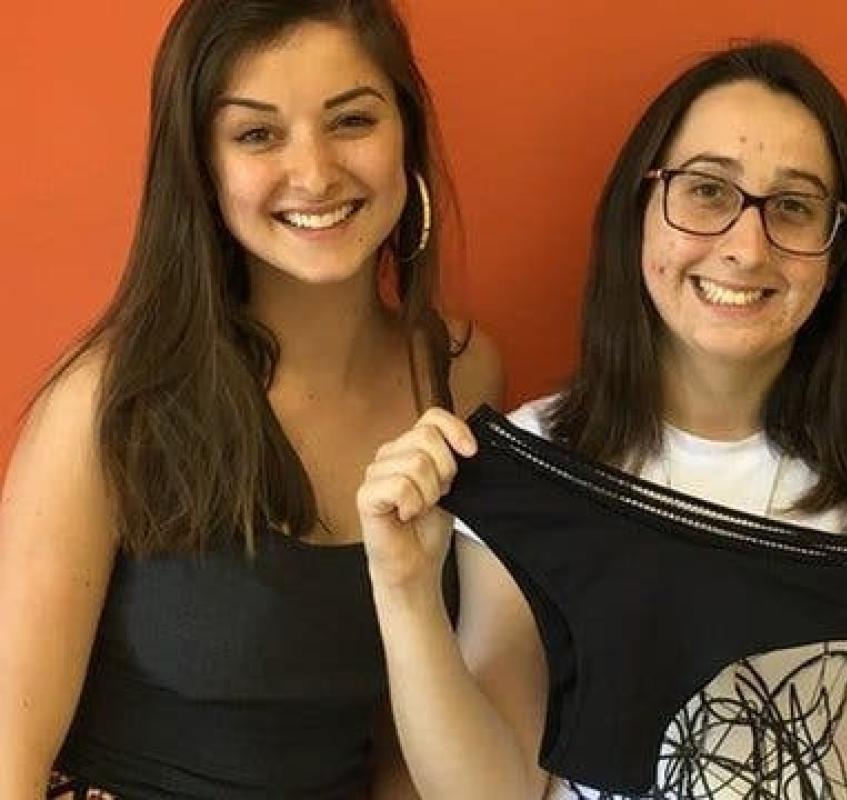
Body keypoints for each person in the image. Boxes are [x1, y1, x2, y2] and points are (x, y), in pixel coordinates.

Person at [359, 42, 847, 799]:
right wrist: (404, 591)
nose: (746, 248)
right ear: (640, 210)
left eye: (793, 206)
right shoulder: (538, 463)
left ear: (837, 253)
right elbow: (490, 794)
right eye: (707, 191)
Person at [0, 0, 501, 796]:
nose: (316, 172)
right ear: (201, 165)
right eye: (257, 134)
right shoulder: (109, 399)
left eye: (352, 121)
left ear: (405, 133)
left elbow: (407, 746)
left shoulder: (461, 377)